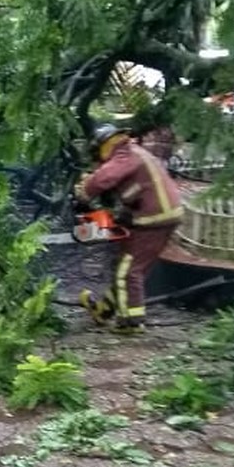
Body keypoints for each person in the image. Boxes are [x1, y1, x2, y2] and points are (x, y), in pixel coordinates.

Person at [75, 123, 183, 333]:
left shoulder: (124, 154)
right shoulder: (131, 151)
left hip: (154, 218)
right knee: (124, 265)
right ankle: (104, 310)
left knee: (128, 271)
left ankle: (131, 322)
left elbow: (105, 177)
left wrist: (85, 190)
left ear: (103, 144)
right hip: (154, 216)